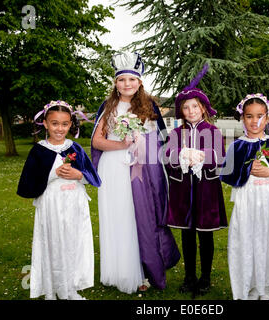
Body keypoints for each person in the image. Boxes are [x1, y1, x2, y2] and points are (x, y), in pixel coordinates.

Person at [91, 52, 180, 294]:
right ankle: (120, 271)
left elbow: (160, 142)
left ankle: (142, 270)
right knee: (118, 219)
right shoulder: (107, 106)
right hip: (113, 169)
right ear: (115, 83)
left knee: (139, 218)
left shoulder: (149, 106)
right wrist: (122, 145)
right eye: (121, 80)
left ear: (139, 82)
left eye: (131, 79)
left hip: (140, 171)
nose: (126, 84)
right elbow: (98, 141)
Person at [17, 100, 101, 300]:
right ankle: (53, 289)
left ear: (71, 124)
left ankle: (70, 288)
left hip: (74, 203)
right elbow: (27, 185)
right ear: (45, 124)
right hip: (52, 205)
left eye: (64, 124)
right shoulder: (39, 150)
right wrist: (54, 174)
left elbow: (93, 177)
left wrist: (78, 175)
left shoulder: (75, 148)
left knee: (74, 244)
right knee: (54, 244)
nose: (60, 128)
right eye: (55, 123)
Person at [220, 93, 269, 300]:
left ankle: (265, 288)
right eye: (249, 116)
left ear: (268, 118)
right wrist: (246, 171)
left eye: (260, 116)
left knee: (268, 242)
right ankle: (249, 287)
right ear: (242, 118)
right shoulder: (237, 146)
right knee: (246, 242)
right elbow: (227, 175)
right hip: (246, 203)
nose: (255, 121)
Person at [164, 64, 227, 296]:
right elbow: (167, 158)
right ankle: (189, 276)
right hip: (183, 190)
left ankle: (206, 277)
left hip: (205, 189)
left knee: (205, 234)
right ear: (181, 111)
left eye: (195, 106)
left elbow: (220, 158)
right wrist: (181, 155)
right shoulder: (175, 134)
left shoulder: (213, 131)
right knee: (187, 234)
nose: (191, 111)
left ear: (202, 108)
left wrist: (201, 156)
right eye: (186, 107)